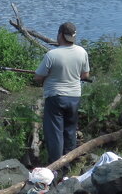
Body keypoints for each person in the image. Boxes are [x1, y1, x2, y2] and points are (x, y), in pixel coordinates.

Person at [33, 21, 90, 164]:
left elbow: (38, 78)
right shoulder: (82, 52)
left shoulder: (52, 55)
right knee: (70, 132)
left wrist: (49, 76)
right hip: (74, 98)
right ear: (73, 36)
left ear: (60, 35)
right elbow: (85, 76)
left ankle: (56, 166)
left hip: (55, 98)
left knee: (55, 134)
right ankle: (68, 165)